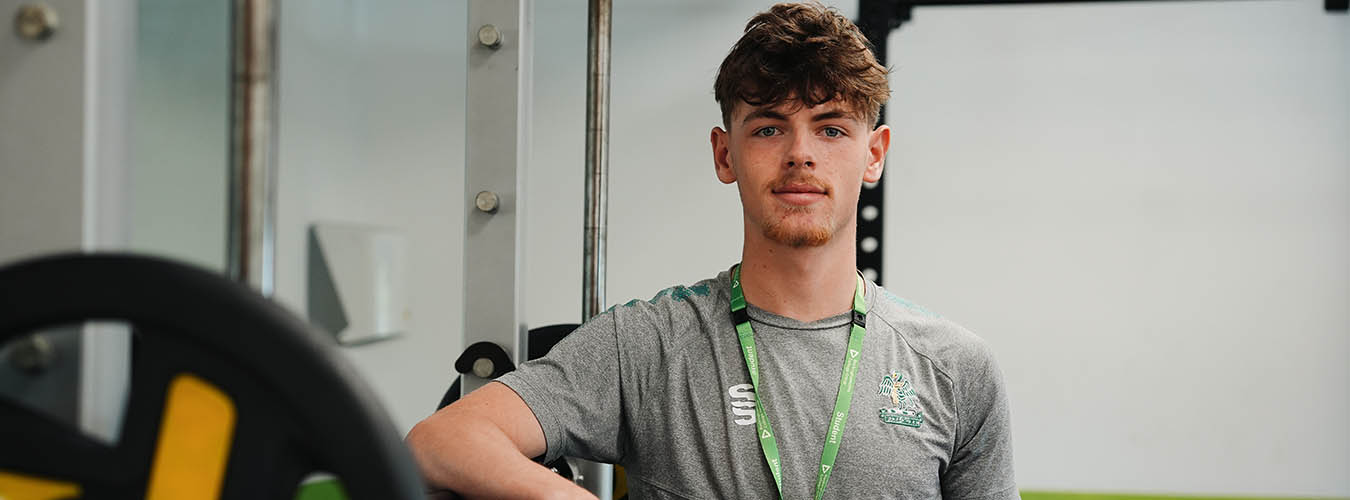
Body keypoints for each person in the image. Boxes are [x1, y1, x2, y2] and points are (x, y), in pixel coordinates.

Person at [406, 3, 1018, 498]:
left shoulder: (956, 369)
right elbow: (440, 442)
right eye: (769, 127)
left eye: (831, 128)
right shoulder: (648, 343)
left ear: (874, 154)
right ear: (726, 154)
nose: (801, 153)